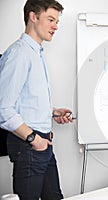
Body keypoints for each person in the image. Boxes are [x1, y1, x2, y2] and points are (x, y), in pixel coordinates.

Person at [0, 0, 72, 199]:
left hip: (42, 145)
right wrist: (34, 139)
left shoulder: (35, 53)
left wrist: (52, 112)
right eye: (50, 19)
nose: (55, 26)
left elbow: (24, 99)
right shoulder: (19, 54)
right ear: (33, 17)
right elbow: (3, 108)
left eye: (56, 21)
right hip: (30, 144)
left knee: (54, 197)